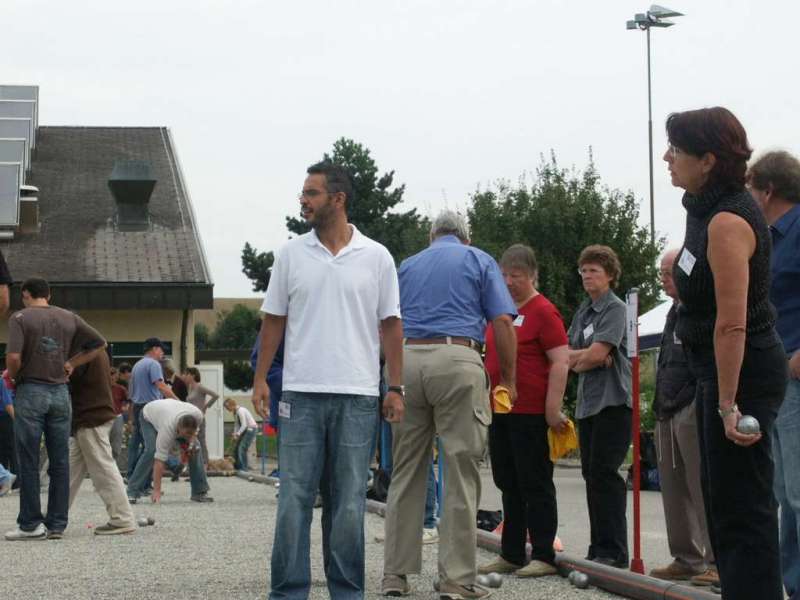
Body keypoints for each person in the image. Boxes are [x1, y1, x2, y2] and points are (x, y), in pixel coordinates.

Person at [251, 161, 403, 600]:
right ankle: (288, 592)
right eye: (303, 192)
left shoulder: (376, 257)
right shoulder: (290, 255)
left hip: (357, 396)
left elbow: (391, 325)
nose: (304, 200)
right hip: (300, 394)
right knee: (293, 500)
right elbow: (273, 320)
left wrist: (395, 387)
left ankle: (346, 592)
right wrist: (261, 379)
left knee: (349, 503)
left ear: (338, 199)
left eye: (312, 193)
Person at [664, 107, 787, 600]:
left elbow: (733, 321)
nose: (666, 157)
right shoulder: (701, 209)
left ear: (708, 159)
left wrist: (727, 405)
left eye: (677, 150)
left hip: (743, 372)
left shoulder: (727, 221)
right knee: (724, 510)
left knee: (744, 515)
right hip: (715, 371)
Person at [382, 210, 517, 599]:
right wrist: (507, 380)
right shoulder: (478, 260)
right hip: (456, 357)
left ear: (431, 236)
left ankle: (395, 575)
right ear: (465, 237)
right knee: (460, 470)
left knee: (406, 469)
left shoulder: (407, 265)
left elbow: (387, 321)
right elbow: (503, 323)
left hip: (406, 362)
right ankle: (456, 580)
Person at [478, 244, 569, 579]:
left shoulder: (544, 311)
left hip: (530, 410)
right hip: (500, 409)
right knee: (508, 481)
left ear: (532, 275)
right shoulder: (500, 310)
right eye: (504, 275)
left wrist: (552, 408)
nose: (509, 281)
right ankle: (512, 552)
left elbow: (561, 360)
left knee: (535, 482)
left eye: (516, 275)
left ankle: (544, 553)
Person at [4, 277, 107, 541]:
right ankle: (57, 524)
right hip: (61, 393)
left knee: (28, 458)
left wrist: (14, 377)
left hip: (31, 390)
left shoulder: (20, 318)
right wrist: (72, 363)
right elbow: (99, 343)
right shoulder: (69, 317)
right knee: (59, 460)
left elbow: (14, 357)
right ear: (48, 294)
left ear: (26, 294)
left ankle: (30, 525)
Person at [747, 150, 800, 600]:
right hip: (778, 378)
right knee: (785, 494)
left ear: (767, 190)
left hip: (797, 375)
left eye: (750, 188)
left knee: (799, 492)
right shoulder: (768, 238)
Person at [648, 249, 717, 586]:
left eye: (668, 272)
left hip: (691, 403)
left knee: (702, 486)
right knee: (672, 487)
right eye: (661, 273)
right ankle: (686, 557)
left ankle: (715, 560)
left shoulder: (700, 307)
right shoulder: (671, 312)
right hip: (666, 406)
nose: (663, 279)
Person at [567, 245, 632, 568]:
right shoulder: (584, 311)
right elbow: (568, 355)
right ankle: (598, 546)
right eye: (584, 270)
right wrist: (586, 358)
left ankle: (615, 550)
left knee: (606, 474)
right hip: (588, 403)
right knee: (590, 474)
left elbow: (595, 354)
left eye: (594, 270)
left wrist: (588, 357)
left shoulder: (615, 309)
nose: (587, 276)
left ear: (609, 275)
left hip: (613, 402)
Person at [68, 351, 136, 535]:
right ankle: (55, 514)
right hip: (90, 417)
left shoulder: (82, 352)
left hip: (90, 417)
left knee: (103, 469)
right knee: (70, 471)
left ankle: (122, 518)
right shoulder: (94, 349)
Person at [127, 399, 213, 503]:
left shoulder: (198, 416)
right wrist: (157, 491)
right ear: (178, 429)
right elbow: (159, 461)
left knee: (196, 448)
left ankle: (199, 492)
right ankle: (131, 492)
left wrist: (191, 443)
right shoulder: (167, 429)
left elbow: (193, 434)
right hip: (148, 414)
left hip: (168, 410)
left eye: (190, 434)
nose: (187, 436)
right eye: (185, 434)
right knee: (151, 450)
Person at [126, 338, 178, 487]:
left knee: (139, 444)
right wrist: (178, 401)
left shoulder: (137, 365)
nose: (162, 352)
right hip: (150, 407)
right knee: (153, 446)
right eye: (161, 349)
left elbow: (132, 393)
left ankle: (135, 478)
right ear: (154, 349)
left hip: (137, 407)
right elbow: (161, 386)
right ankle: (172, 465)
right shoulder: (153, 364)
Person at [182, 367, 219, 466]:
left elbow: (215, 395)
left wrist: (206, 406)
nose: (185, 376)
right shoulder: (190, 388)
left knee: (201, 440)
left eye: (187, 374)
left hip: (199, 419)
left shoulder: (199, 387)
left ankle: (205, 464)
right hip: (191, 420)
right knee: (191, 441)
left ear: (193, 375)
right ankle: (195, 464)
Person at [224, 398, 257, 471]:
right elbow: (237, 425)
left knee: (242, 447)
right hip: (245, 430)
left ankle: (243, 468)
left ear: (231, 405)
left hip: (250, 429)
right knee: (236, 447)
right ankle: (237, 467)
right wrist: (235, 434)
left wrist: (238, 434)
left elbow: (244, 425)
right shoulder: (235, 412)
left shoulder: (240, 411)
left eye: (227, 407)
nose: (227, 409)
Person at [108, 366, 127, 465]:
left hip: (117, 417)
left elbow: (128, 401)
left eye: (113, 376)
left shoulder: (121, 389)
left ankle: (113, 464)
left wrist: (124, 407)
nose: (112, 378)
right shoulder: (102, 388)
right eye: (110, 375)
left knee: (116, 444)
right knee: (104, 444)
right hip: (104, 418)